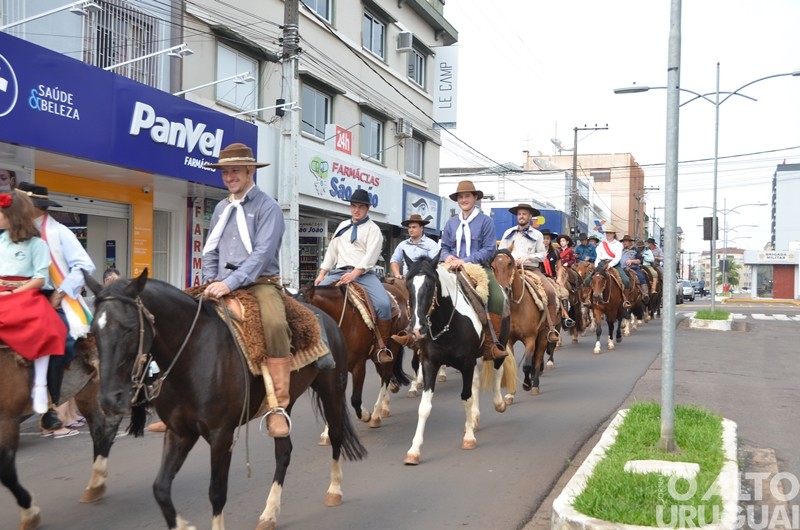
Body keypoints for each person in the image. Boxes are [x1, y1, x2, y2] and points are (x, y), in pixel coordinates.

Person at [201, 142, 292, 438]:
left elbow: (262, 255)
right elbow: (211, 249)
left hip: (259, 282)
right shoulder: (220, 208)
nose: (229, 177)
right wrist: (209, 280)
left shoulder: (269, 207)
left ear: (250, 171)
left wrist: (229, 283)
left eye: (235, 171)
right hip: (219, 281)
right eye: (225, 172)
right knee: (183, 317)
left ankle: (277, 406)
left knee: (276, 324)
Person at [17, 182, 95, 434]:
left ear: (35, 208)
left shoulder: (59, 232)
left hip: (50, 295)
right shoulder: (13, 230)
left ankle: (51, 401)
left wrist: (61, 293)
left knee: (60, 338)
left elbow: (85, 266)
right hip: (15, 293)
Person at [0, 190, 67, 416]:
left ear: (13, 215)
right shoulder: (0, 240)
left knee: (45, 327)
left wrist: (15, 291)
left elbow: (40, 278)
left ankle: (40, 385)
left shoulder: (37, 244)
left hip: (24, 291)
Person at [315, 188, 396, 363]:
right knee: (315, 297)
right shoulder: (342, 226)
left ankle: (381, 347)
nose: (356, 210)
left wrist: (355, 274)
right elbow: (332, 251)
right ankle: (316, 342)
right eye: (353, 206)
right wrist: (322, 273)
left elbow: (371, 256)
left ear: (367, 208)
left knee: (383, 304)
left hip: (363, 274)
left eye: (360, 207)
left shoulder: (373, 230)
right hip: (338, 271)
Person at [440, 180, 509, 360]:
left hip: (478, 268)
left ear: (475, 198)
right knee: (428, 288)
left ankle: (490, 343)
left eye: (467, 196)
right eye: (460, 197)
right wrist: (447, 257)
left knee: (497, 297)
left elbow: (489, 250)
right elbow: (444, 247)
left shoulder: (486, 221)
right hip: (450, 267)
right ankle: (422, 337)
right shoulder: (451, 223)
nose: (464, 200)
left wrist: (464, 261)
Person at [586, 226, 630, 307]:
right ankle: (588, 299)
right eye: (607, 233)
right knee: (588, 280)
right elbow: (598, 257)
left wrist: (609, 265)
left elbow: (618, 257)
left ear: (614, 234)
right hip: (601, 263)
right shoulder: (601, 244)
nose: (609, 234)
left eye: (610, 233)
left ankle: (625, 300)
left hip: (614, 264)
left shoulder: (619, 244)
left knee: (626, 280)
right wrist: (596, 266)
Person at [389, 213, 439, 278]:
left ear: (421, 228)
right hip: (406, 280)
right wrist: (397, 274)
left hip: (424, 282)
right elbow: (394, 261)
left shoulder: (431, 244)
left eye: (414, 227)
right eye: (409, 227)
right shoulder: (402, 245)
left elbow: (433, 264)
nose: (411, 230)